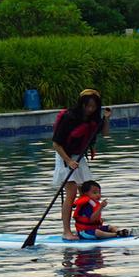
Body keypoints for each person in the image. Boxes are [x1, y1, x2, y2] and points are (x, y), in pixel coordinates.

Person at [52, 89, 111, 240]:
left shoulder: (94, 118)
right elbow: (56, 144)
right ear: (82, 104)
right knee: (70, 195)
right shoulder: (69, 117)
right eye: (88, 106)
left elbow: (104, 133)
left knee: (86, 194)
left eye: (93, 106)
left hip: (79, 157)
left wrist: (106, 118)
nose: (90, 109)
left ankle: (84, 227)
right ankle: (66, 231)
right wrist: (68, 161)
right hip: (65, 157)